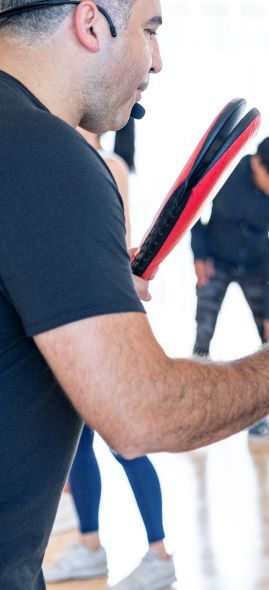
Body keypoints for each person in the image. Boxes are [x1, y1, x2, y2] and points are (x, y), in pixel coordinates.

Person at [0, 2, 269, 588]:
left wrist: (76, 284)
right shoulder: (49, 156)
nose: (158, 61)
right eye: (150, 31)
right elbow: (141, 413)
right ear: (92, 23)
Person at [41, 127, 176, 590]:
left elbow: (111, 244)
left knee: (126, 442)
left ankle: (159, 555)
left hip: (107, 319)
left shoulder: (108, 166)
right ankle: (89, 546)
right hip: (72, 320)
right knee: (78, 445)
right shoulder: (61, 158)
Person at [190, 133, 269, 444]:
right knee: (203, 333)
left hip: (256, 267)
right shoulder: (226, 173)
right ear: (256, 163)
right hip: (216, 260)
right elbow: (194, 209)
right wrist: (199, 255)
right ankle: (194, 411)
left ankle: (261, 423)